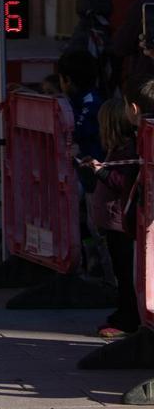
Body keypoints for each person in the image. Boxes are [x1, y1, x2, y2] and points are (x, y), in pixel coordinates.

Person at [81, 96, 140, 339]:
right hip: (113, 222)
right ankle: (124, 313)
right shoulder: (118, 149)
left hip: (121, 223)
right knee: (120, 271)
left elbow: (125, 183)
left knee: (125, 274)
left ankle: (128, 318)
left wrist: (101, 172)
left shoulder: (128, 150)